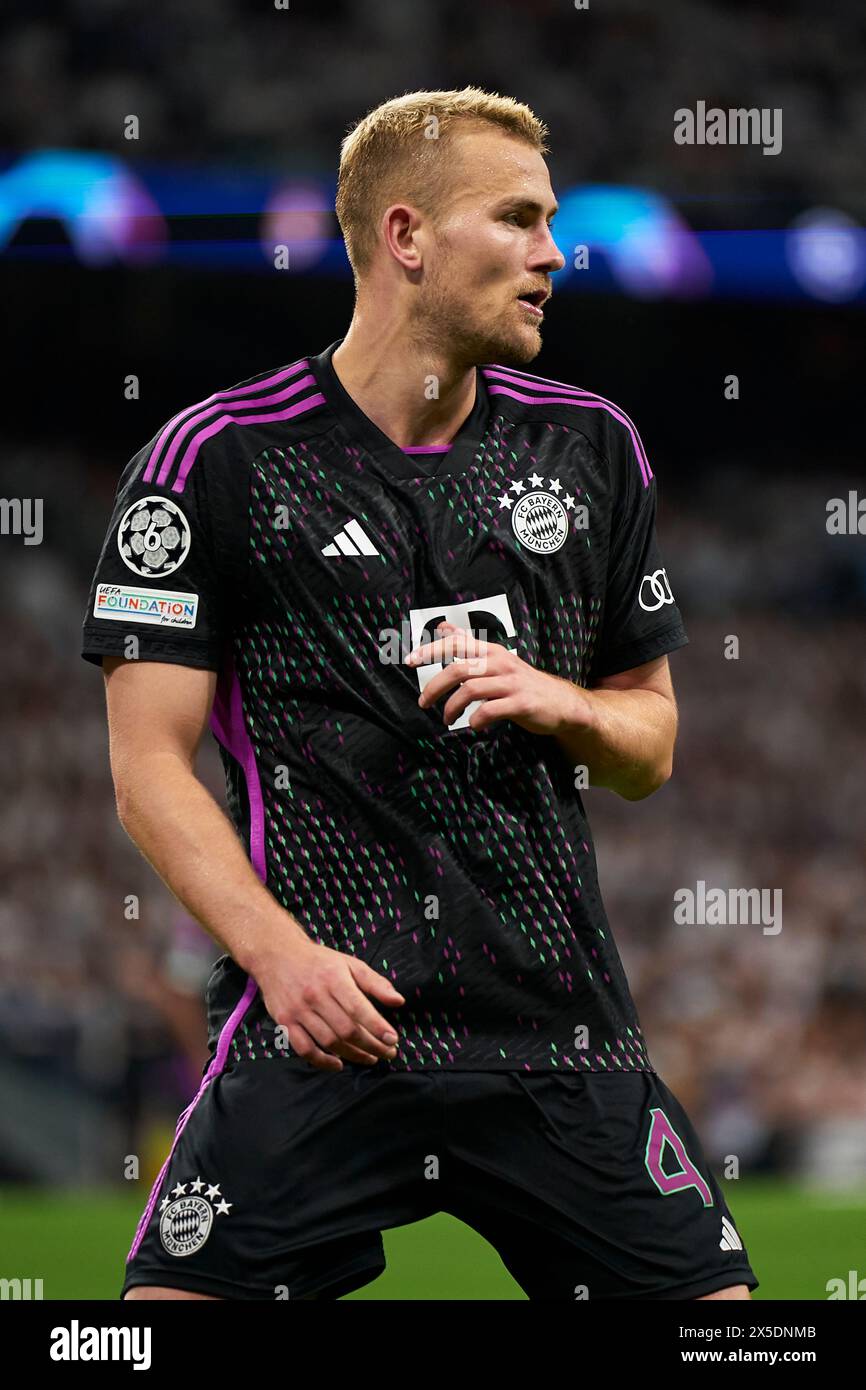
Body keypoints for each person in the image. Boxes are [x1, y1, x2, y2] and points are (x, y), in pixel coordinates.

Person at [81, 87, 757, 1301]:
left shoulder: (594, 448)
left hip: (558, 1034)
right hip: (317, 1029)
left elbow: (647, 744)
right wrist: (281, 960)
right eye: (518, 218)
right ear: (406, 238)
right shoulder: (210, 462)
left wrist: (560, 703)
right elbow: (145, 767)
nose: (556, 251)